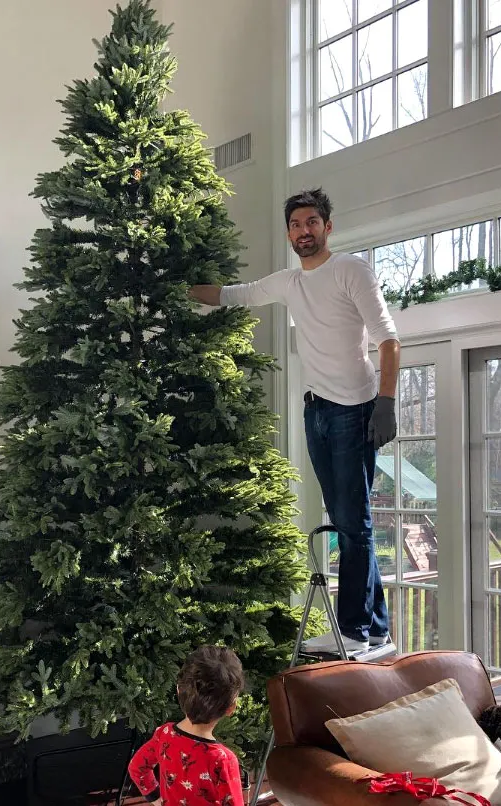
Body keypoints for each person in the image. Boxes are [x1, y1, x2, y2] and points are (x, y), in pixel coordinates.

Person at [188, 188, 400, 655]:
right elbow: (232, 295)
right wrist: (178, 291)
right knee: (346, 521)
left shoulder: (350, 270)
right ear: (289, 233)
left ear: (328, 226)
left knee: (353, 523)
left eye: (311, 222)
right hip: (316, 410)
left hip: (354, 409)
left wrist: (386, 401)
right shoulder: (289, 282)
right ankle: (377, 627)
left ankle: (353, 630)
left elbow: (388, 339)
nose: (304, 231)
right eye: (296, 225)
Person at [128, 645, 245, 806]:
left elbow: (137, 768)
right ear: (231, 708)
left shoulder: (164, 734)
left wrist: (156, 799)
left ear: (178, 690)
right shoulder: (223, 759)